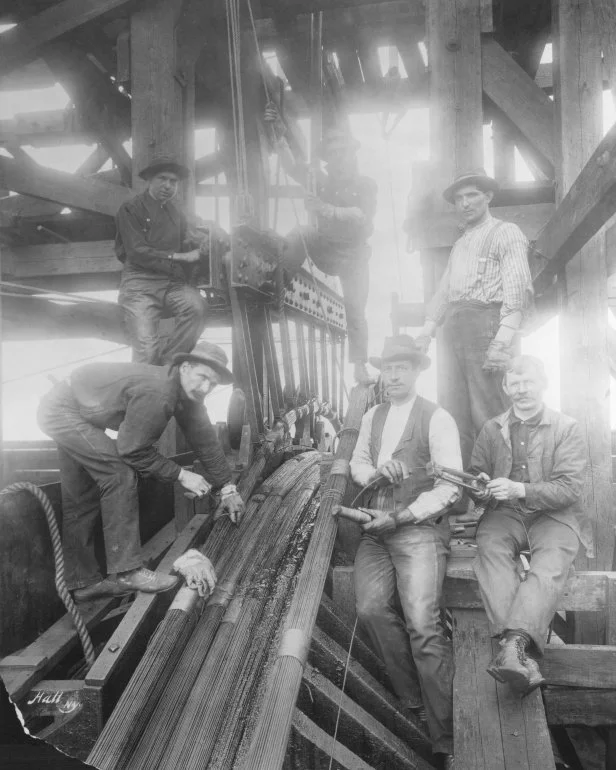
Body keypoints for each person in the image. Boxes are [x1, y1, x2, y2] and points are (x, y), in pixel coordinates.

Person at [37, 342, 245, 602]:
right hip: (62, 411)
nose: (206, 388)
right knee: (119, 474)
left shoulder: (188, 396)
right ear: (185, 367)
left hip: (78, 411)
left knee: (81, 495)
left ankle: (83, 583)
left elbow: (205, 440)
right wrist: (182, 475)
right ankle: (127, 572)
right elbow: (131, 451)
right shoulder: (159, 392)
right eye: (202, 377)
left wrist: (228, 488)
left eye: (213, 384)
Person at [349, 335, 461, 770]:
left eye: (402, 368)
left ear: (416, 372)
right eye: (387, 368)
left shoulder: (437, 418)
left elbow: (450, 487)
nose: (393, 376)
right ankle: (413, 699)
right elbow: (357, 463)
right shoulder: (372, 414)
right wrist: (375, 471)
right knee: (370, 608)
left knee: (423, 624)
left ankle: (446, 737)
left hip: (418, 530)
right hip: (375, 530)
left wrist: (403, 515)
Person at [469, 355, 588, 693]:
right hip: (505, 513)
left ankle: (512, 645)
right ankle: (516, 651)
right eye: (515, 383)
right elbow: (479, 489)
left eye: (528, 382)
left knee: (550, 562)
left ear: (542, 383)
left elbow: (569, 489)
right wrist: (479, 488)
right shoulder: (491, 428)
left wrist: (520, 488)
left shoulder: (567, 427)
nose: (521, 390)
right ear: (506, 387)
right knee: (489, 547)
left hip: (554, 516)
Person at [415, 169, 533, 469]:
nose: (465, 203)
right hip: (453, 328)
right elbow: (445, 291)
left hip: (486, 325)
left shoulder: (506, 232)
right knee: (454, 411)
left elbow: (517, 287)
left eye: (472, 195)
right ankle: (463, 490)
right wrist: (426, 331)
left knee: (488, 411)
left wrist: (502, 340)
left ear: (488, 197)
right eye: (459, 198)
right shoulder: (461, 243)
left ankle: (503, 486)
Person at [264, 104, 377, 384]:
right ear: (328, 160)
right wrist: (277, 133)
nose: (339, 159)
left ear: (352, 155)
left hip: (354, 258)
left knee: (356, 311)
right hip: (326, 249)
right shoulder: (322, 181)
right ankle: (277, 291)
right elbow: (292, 167)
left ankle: (360, 365)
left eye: (343, 153)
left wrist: (324, 209)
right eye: (333, 155)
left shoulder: (366, 185)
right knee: (301, 232)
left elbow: (360, 217)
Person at [116, 154, 228, 365]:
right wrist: (180, 256)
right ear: (149, 180)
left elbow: (193, 236)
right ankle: (149, 376)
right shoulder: (131, 209)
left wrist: (212, 238)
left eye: (173, 181)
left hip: (171, 284)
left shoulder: (177, 213)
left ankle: (168, 365)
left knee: (197, 308)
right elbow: (136, 251)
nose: (168, 185)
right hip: (140, 285)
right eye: (162, 179)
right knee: (147, 350)